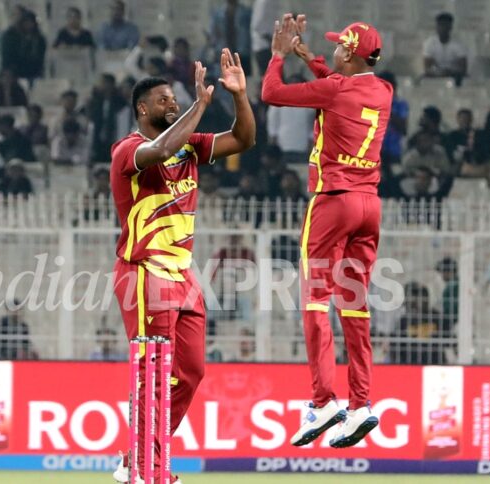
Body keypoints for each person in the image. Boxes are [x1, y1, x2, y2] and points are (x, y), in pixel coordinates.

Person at [110, 48, 254, 484]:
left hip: (183, 275)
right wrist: (199, 105)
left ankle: (136, 456)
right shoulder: (128, 151)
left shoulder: (190, 144)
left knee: (191, 372)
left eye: (175, 99)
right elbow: (161, 148)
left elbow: (243, 140)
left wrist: (240, 96)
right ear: (143, 109)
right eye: (164, 100)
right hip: (144, 272)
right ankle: (149, 469)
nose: (171, 104)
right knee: (154, 369)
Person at [263, 14, 392, 448]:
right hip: (369, 207)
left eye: (339, 47)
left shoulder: (336, 89)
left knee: (315, 299)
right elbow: (339, 86)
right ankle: (361, 405)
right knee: (354, 306)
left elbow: (271, 94)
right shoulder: (383, 90)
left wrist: (280, 57)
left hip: (332, 201)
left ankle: (322, 401)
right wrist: (310, 59)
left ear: (350, 54)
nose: (333, 51)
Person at [423, 12, 468, 85]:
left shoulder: (458, 44)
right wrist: (438, 72)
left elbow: (463, 69)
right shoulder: (429, 43)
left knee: (463, 79)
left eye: (445, 25)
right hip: (436, 74)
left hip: (454, 75)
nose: (443, 28)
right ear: (436, 27)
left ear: (450, 27)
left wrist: (450, 72)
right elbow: (427, 67)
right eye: (440, 25)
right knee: (422, 79)